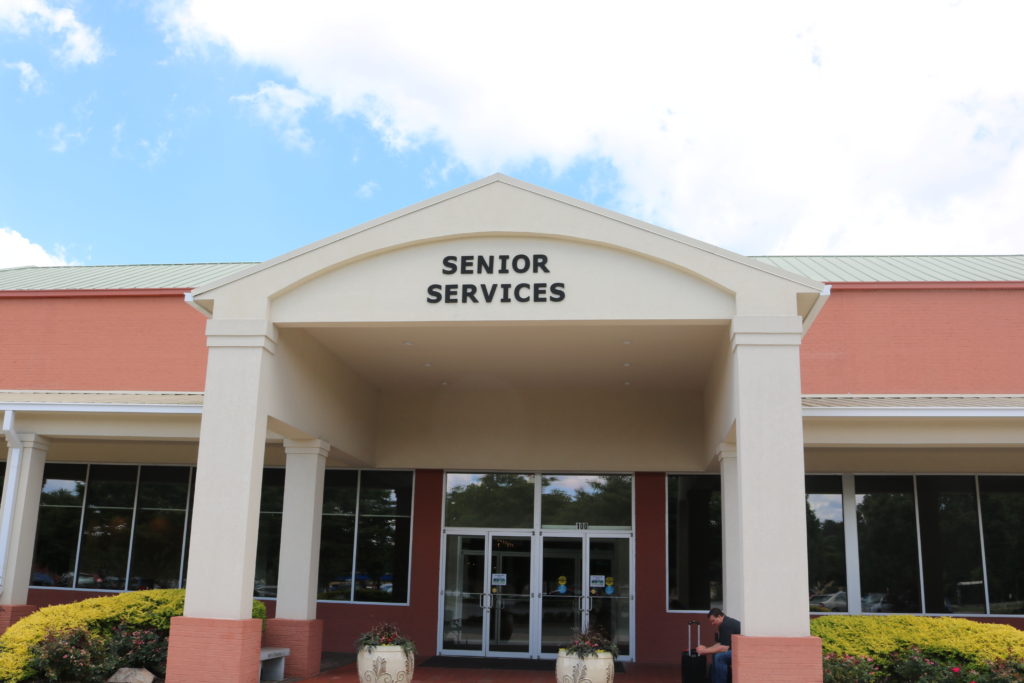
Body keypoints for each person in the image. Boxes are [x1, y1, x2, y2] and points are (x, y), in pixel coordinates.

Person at [695, 607, 741, 683]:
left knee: (719, 657)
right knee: (715, 655)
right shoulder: (724, 623)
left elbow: (725, 648)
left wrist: (705, 651)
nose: (712, 624)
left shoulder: (726, 625)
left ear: (719, 616)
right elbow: (721, 643)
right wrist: (706, 648)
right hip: (735, 649)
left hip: (741, 652)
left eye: (713, 621)